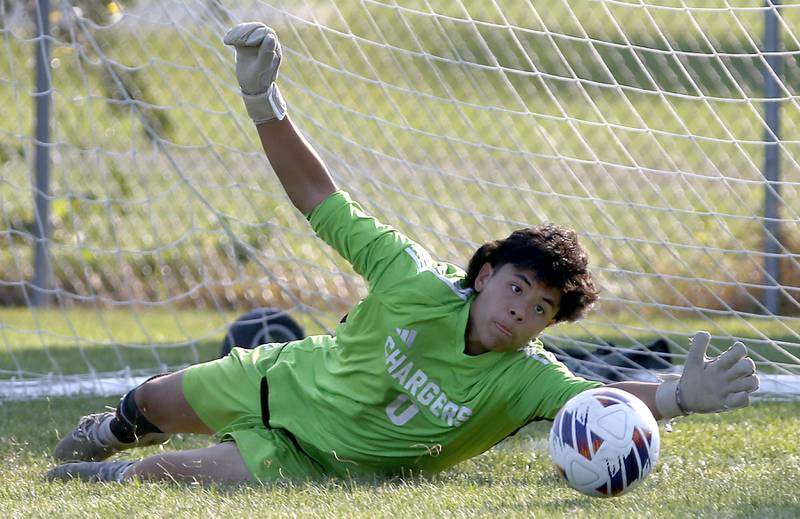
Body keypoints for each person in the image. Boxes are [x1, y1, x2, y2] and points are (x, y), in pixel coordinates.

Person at [46, 22, 759, 484]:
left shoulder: (524, 381)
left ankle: (101, 481)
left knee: (168, 476)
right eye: (517, 289)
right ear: (484, 275)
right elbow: (318, 198)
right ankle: (109, 431)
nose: (522, 312)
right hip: (279, 380)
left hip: (312, 459)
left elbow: (598, 404)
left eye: (542, 309)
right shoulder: (409, 273)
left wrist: (676, 396)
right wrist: (265, 103)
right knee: (148, 404)